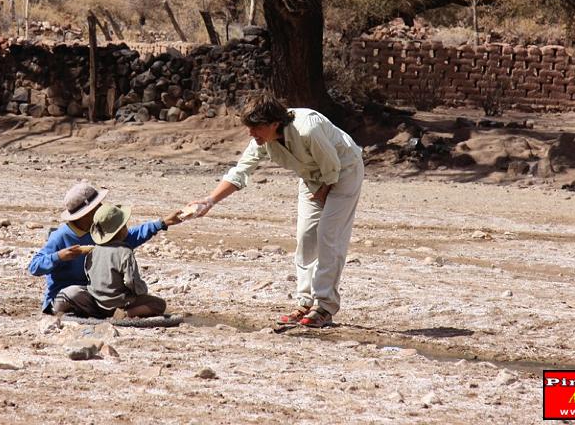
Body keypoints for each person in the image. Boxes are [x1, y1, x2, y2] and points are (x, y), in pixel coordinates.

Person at [187, 93, 364, 328]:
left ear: (274, 123)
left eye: (256, 128)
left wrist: (324, 189)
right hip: (312, 178)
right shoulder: (264, 140)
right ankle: (305, 301)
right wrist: (209, 201)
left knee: (329, 236)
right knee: (306, 237)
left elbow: (332, 165)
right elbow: (240, 172)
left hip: (343, 173)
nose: (251, 134)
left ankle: (324, 306)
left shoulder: (307, 129)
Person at [28, 179, 181, 314]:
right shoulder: (60, 237)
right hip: (74, 295)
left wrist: (161, 224)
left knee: (149, 302)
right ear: (86, 214)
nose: (101, 207)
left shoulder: (100, 231)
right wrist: (59, 256)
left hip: (95, 296)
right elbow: (34, 267)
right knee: (72, 292)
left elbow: (128, 236)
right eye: (98, 206)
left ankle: (115, 312)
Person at [53, 203, 167, 319]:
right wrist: (141, 292)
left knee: (71, 292)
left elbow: (89, 276)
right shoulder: (125, 252)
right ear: (121, 229)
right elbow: (131, 281)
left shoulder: (93, 251)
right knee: (159, 304)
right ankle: (127, 314)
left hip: (96, 302)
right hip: (120, 303)